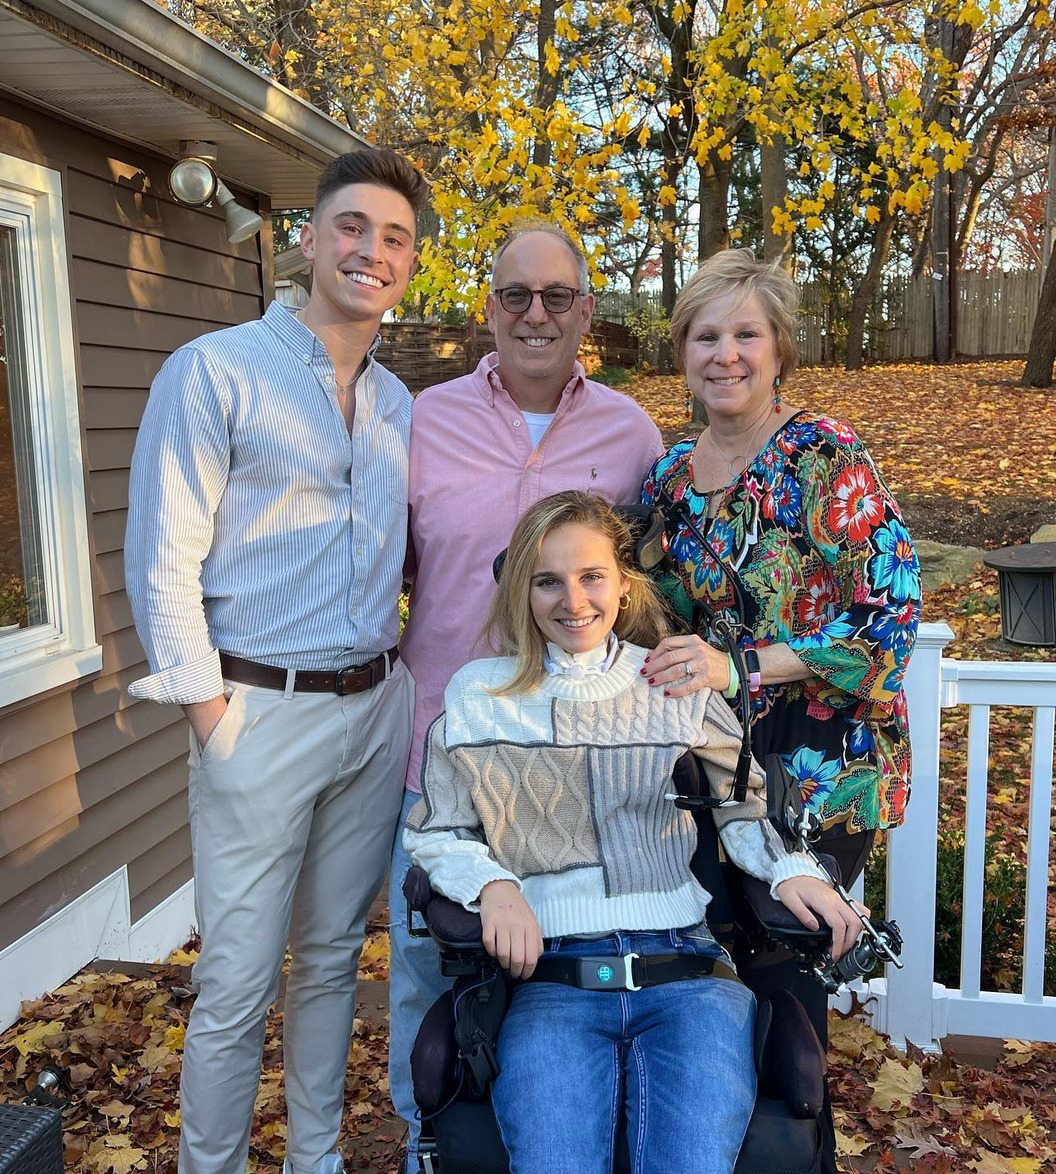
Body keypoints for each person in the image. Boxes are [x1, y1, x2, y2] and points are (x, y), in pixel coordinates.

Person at [403, 490, 864, 1174]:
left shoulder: (669, 682)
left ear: (623, 584)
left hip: (686, 974)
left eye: (591, 576)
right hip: (551, 981)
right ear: (521, 593)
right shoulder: (479, 696)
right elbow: (437, 828)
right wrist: (495, 887)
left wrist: (791, 868)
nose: (573, 600)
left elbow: (746, 807)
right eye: (547, 581)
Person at [124, 148, 428, 1174]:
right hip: (256, 709)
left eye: (394, 238)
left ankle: (317, 1159)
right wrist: (210, 712)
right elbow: (160, 557)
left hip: (373, 709)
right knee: (238, 983)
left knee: (334, 961)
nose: (369, 251)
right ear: (308, 236)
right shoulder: (215, 371)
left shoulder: (399, 405)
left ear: (411, 265)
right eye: (352, 225)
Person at [389, 223, 664, 1169]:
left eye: (557, 296)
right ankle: (429, 1147)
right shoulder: (422, 421)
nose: (536, 314)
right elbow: (383, 571)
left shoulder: (633, 433)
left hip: (589, 766)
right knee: (433, 974)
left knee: (572, 977)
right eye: (516, 296)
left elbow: (650, 592)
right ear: (489, 307)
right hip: (449, 752)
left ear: (587, 308)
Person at [641, 250, 920, 1174]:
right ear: (681, 349)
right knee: (710, 975)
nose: (724, 354)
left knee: (783, 973)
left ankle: (802, 1158)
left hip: (817, 759)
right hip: (707, 759)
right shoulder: (669, 477)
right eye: (705, 335)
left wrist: (742, 662)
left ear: (778, 349)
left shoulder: (823, 453)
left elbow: (888, 614)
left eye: (744, 334)